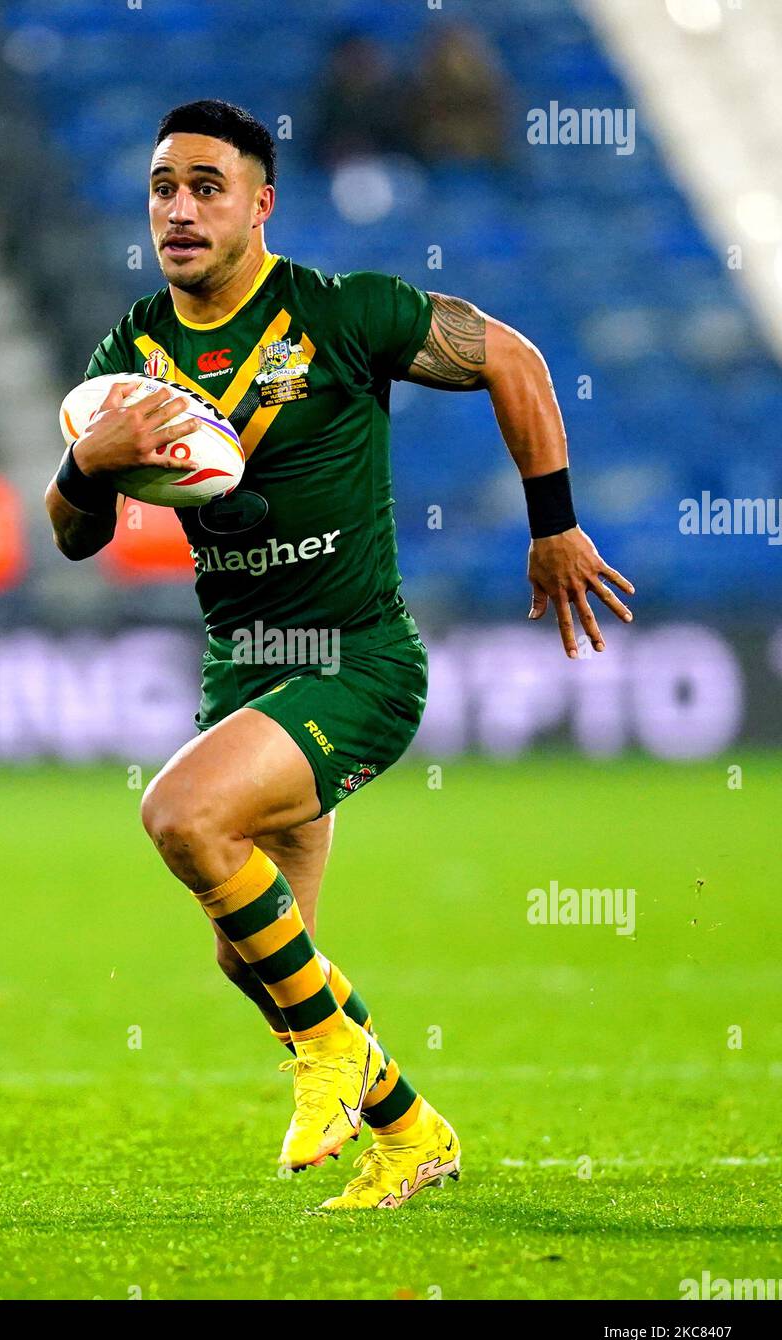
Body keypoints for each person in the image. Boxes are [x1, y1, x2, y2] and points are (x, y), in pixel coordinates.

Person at [44, 100, 635, 1211]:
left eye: (205, 186)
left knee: (181, 816)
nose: (178, 208)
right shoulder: (128, 356)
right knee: (252, 956)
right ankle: (411, 1129)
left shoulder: (341, 312)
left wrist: (551, 524)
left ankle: (329, 1059)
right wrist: (90, 464)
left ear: (259, 203)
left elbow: (510, 357)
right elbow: (70, 535)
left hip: (357, 658)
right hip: (246, 669)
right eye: (163, 187)